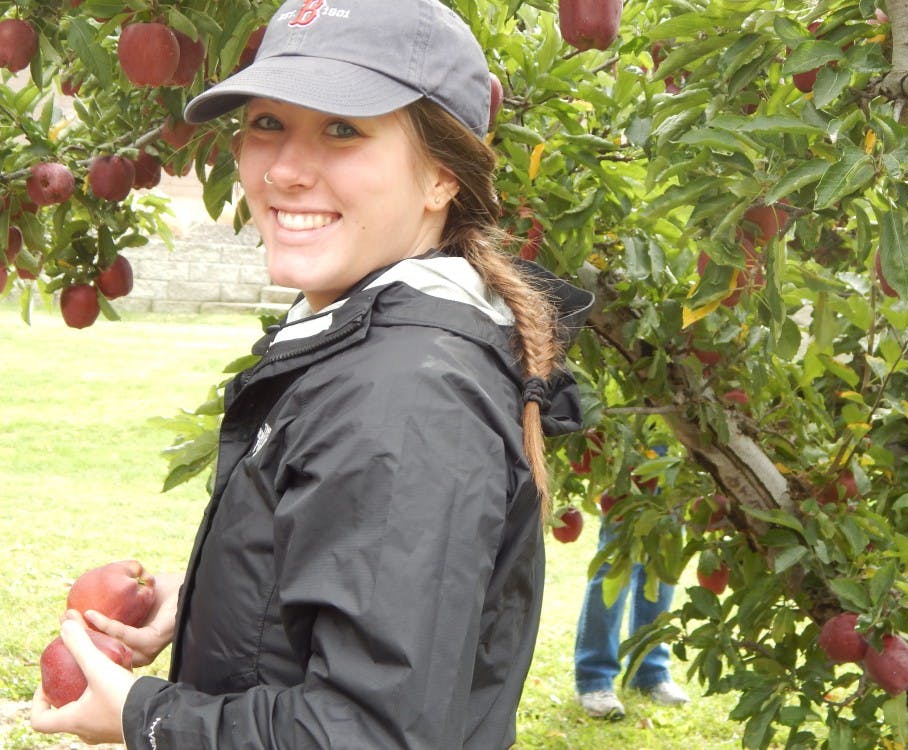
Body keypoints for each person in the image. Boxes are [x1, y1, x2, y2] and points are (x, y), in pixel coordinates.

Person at [30, 1, 593, 747]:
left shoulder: (408, 394)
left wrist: (150, 717)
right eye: (267, 123)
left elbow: (370, 733)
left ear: (441, 178)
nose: (285, 170)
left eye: (343, 130)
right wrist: (216, 598)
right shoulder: (369, 345)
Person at [574, 448, 689, 720]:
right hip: (634, 445)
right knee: (616, 559)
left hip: (677, 447)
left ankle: (650, 672)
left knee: (664, 559)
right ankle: (595, 679)